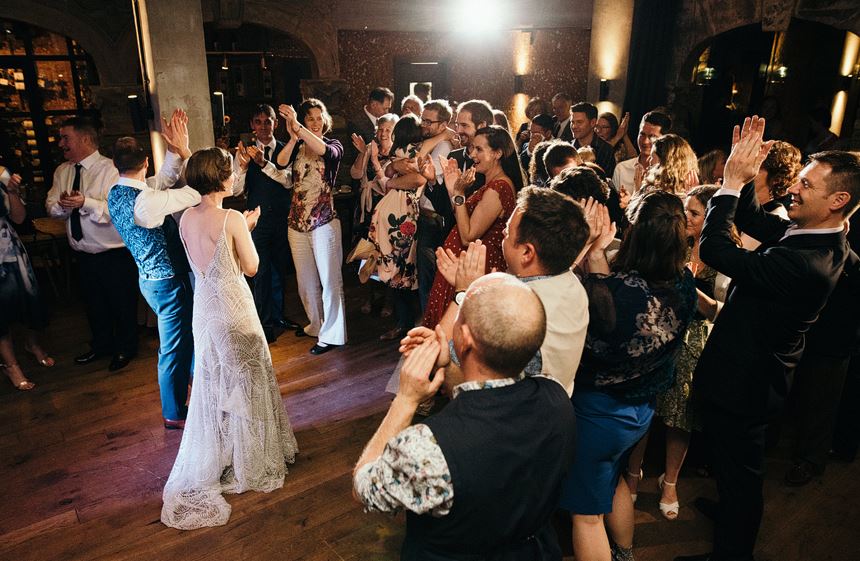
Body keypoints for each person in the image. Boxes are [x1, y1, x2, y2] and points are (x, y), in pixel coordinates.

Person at [675, 119, 858, 561]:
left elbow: (717, 251)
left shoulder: (811, 263)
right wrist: (744, 179)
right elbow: (754, 218)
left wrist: (730, 181)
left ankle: (731, 552)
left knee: (743, 476)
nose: (793, 189)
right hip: (754, 370)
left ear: (838, 200)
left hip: (749, 382)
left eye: (806, 185)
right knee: (735, 470)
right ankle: (731, 512)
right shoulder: (819, 234)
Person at [354, 273, 576, 560]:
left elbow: (364, 488)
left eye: (459, 318)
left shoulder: (429, 448)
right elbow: (487, 393)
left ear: (465, 338)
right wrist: (449, 364)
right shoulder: (557, 398)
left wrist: (405, 400)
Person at [160, 147, 298, 530]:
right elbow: (251, 268)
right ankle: (251, 458)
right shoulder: (233, 217)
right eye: (230, 170)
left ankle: (227, 451)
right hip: (234, 305)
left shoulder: (184, 216)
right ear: (221, 179)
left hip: (204, 309)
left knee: (216, 378)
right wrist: (246, 230)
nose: (235, 175)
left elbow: (203, 255)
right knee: (249, 374)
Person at [561, 191, 697, 561]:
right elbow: (611, 291)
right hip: (639, 412)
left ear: (633, 232)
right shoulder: (684, 282)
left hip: (598, 415)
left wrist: (591, 246)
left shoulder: (615, 296)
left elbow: (588, 296)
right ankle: (624, 553)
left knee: (586, 516)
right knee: (615, 480)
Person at [46, 115, 184, 371]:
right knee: (94, 305)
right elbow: (168, 184)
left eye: (66, 138)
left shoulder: (114, 175)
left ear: (85, 138)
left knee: (122, 305)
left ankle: (125, 349)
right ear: (144, 164)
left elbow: (153, 186)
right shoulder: (63, 172)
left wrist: (84, 203)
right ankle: (101, 346)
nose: (61, 144)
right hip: (85, 252)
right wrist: (181, 154)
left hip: (115, 254)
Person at [625, 186, 728, 519]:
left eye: (694, 214)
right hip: (662, 333)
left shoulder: (724, 252)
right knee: (647, 406)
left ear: (711, 219)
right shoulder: (670, 245)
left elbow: (720, 311)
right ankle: (632, 474)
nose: (685, 220)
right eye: (686, 212)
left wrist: (691, 289)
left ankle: (669, 482)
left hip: (695, 339)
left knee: (680, 417)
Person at [432, 187, 590, 397]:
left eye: (506, 233)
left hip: (501, 419)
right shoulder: (572, 282)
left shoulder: (513, 310)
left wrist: (464, 292)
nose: (501, 239)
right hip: (553, 412)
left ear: (526, 252)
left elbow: (440, 354)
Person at [107, 118, 199, 429]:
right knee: (173, 346)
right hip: (168, 282)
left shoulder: (118, 191)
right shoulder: (146, 201)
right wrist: (186, 151)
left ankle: (191, 386)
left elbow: (162, 180)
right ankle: (174, 411)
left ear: (116, 165)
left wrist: (175, 152)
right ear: (145, 161)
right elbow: (195, 194)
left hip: (148, 279)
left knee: (180, 340)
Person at [422, 125, 521, 329]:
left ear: (497, 153)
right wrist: (453, 190)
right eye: (472, 149)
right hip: (466, 266)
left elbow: (468, 236)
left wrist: (458, 194)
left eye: (479, 149)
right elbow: (462, 218)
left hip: (478, 268)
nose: (472, 154)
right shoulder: (490, 183)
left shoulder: (499, 187)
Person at [277, 99, 346, 355]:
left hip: (323, 221)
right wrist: (294, 137)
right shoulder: (298, 146)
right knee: (306, 282)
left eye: (319, 118)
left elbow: (322, 150)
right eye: (310, 119)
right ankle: (316, 325)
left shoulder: (333, 145)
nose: (315, 123)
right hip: (296, 222)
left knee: (330, 281)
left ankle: (333, 335)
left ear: (325, 120)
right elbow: (281, 162)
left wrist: (298, 127)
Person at [232, 104, 299, 343]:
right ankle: (263, 322)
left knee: (280, 269)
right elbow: (236, 189)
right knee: (260, 271)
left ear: (275, 124)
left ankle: (279, 317)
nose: (263, 127)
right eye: (258, 122)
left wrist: (264, 164)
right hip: (257, 222)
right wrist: (241, 166)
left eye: (267, 122)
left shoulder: (287, 149)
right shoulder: (244, 154)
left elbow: (290, 182)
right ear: (252, 125)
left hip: (282, 219)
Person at [0, 166, 52, 390]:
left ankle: (32, 344)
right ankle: (11, 365)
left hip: (8, 247)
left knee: (31, 300)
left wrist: (12, 192)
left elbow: (19, 218)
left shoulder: (2, 173)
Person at [351, 113, 398, 316]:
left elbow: (387, 187)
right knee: (367, 252)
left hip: (386, 209)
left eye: (388, 129)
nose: (383, 133)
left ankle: (389, 301)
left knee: (387, 254)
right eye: (380, 129)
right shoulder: (370, 147)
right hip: (367, 209)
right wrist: (364, 153)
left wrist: (375, 159)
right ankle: (367, 296)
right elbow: (355, 174)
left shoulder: (398, 154)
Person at [414, 100, 455, 311]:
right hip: (426, 218)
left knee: (430, 281)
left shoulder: (444, 147)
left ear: (443, 124)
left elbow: (417, 169)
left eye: (429, 121)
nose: (423, 125)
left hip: (434, 221)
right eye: (423, 119)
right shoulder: (436, 141)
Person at [740, 140, 802, 249]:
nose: (746, 170)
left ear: (777, 179)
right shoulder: (739, 204)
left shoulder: (777, 218)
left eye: (757, 167)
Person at [612, 110, 672, 196]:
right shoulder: (622, 169)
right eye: (642, 134)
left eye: (652, 136)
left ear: (664, 139)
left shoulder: (670, 173)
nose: (645, 141)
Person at [569, 101, 616, 178]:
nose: (574, 126)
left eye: (579, 122)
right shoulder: (567, 149)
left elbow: (605, 182)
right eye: (572, 122)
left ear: (593, 123)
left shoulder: (606, 150)